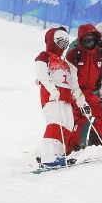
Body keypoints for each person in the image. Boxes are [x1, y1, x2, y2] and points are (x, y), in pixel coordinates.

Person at [34, 27, 91, 168]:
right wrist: (52, 90)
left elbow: (74, 85)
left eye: (66, 44)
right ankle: (48, 157)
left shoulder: (66, 63)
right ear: (52, 41)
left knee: (67, 125)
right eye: (60, 42)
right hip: (52, 96)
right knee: (56, 123)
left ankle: (58, 155)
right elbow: (42, 75)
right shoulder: (44, 56)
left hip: (66, 98)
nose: (63, 46)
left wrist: (82, 103)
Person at [65, 23, 102, 147]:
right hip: (75, 93)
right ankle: (76, 144)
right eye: (86, 40)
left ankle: (96, 141)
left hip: (92, 91)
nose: (89, 42)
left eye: (92, 40)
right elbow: (72, 80)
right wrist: (81, 101)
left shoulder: (101, 54)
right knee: (81, 116)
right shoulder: (74, 52)